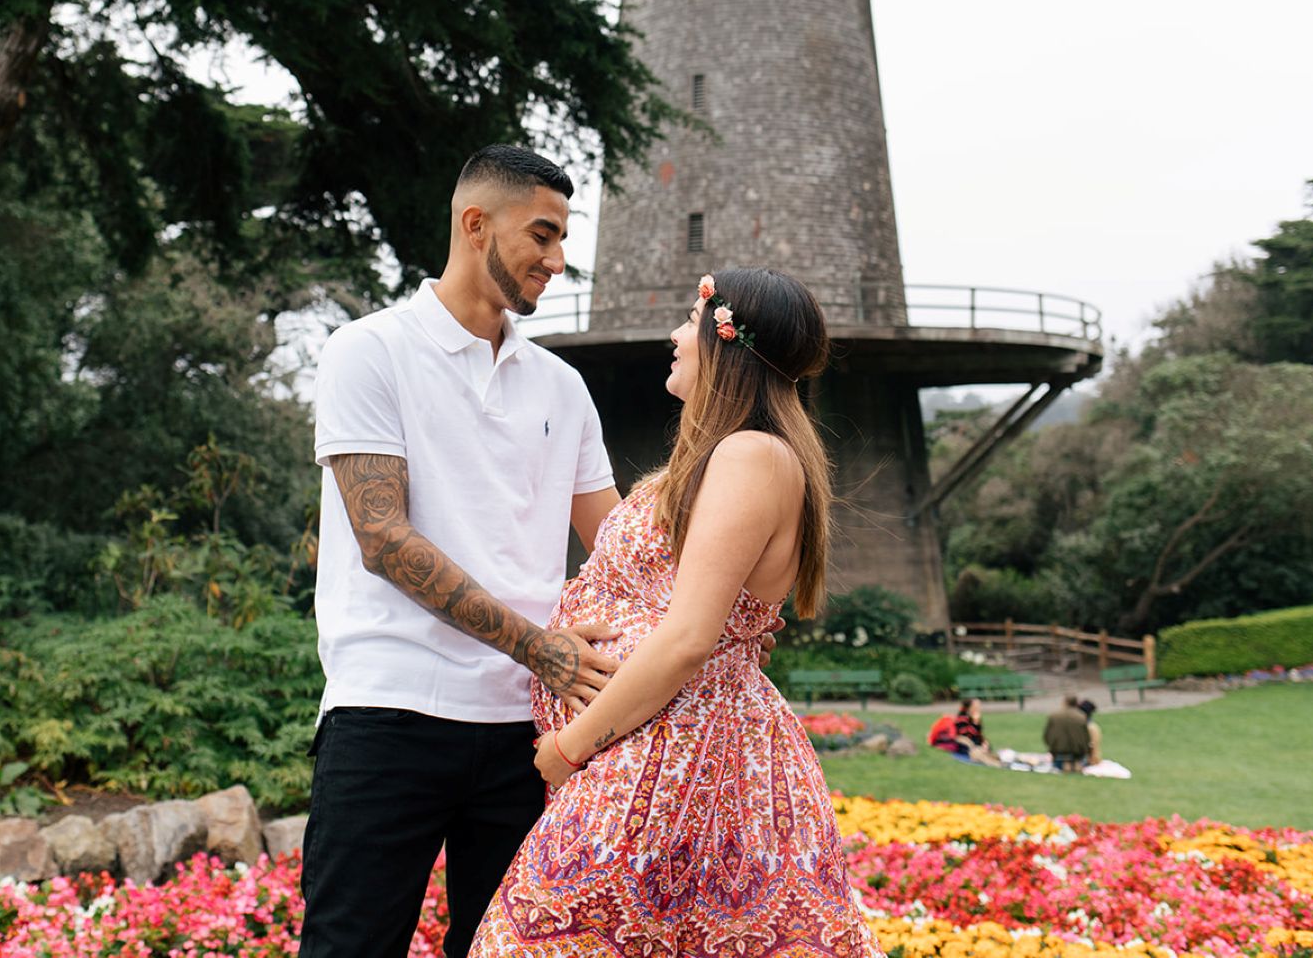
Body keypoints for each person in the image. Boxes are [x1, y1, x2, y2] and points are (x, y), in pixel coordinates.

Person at [469, 268, 884, 957]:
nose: (674, 335)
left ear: (726, 344)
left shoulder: (750, 456)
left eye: (689, 322)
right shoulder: (724, 457)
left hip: (676, 757)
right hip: (658, 747)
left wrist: (569, 748)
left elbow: (689, 636)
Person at [300, 143, 628, 958]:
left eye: (562, 239)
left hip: (527, 732)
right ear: (474, 224)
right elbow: (384, 540)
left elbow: (621, 551)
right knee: (349, 949)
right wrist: (540, 648)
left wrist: (727, 581)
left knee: (510, 953)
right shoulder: (368, 350)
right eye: (541, 235)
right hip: (388, 709)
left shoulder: (561, 386)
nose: (557, 260)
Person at [930, 697, 996, 764]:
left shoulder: (975, 717)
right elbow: (963, 736)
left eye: (979, 705)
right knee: (981, 754)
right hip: (965, 744)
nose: (979, 707)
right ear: (970, 707)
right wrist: (975, 723)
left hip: (976, 743)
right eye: (977, 705)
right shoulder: (961, 718)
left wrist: (985, 743)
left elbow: (979, 734)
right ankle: (992, 762)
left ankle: (992, 759)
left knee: (989, 753)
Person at [1043, 694, 1091, 771]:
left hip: (1058, 751)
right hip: (1077, 752)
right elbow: (1086, 737)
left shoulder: (1054, 716)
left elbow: (1047, 735)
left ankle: (1067, 765)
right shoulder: (1081, 716)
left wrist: (1052, 747)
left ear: (1065, 702)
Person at [1078, 698, 1103, 767]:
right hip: (1093, 758)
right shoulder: (1092, 726)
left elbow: (1091, 747)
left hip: (1089, 760)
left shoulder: (1089, 727)